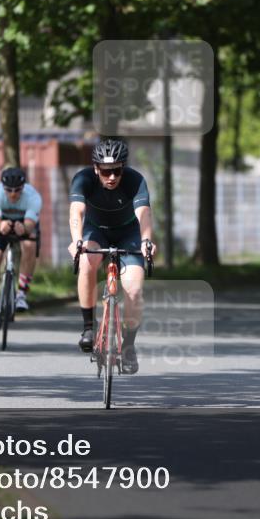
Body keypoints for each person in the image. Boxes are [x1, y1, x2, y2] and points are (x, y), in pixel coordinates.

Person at [68, 138, 155, 374]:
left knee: (134, 290)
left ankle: (128, 346)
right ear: (96, 168)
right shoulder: (83, 179)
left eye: (117, 171)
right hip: (96, 230)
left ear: (123, 168)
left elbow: (144, 214)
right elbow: (77, 211)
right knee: (87, 261)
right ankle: (88, 327)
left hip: (129, 233)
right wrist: (76, 241)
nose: (112, 177)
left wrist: (146, 240)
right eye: (106, 172)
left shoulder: (135, 180)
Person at [0, 167, 42, 329]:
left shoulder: (33, 197)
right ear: (3, 187)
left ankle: (21, 294)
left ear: (23, 187)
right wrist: (0, 225)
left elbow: (30, 226)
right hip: (1, 223)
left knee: (29, 245)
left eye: (17, 190)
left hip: (24, 223)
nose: (13, 194)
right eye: (9, 190)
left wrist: (23, 228)